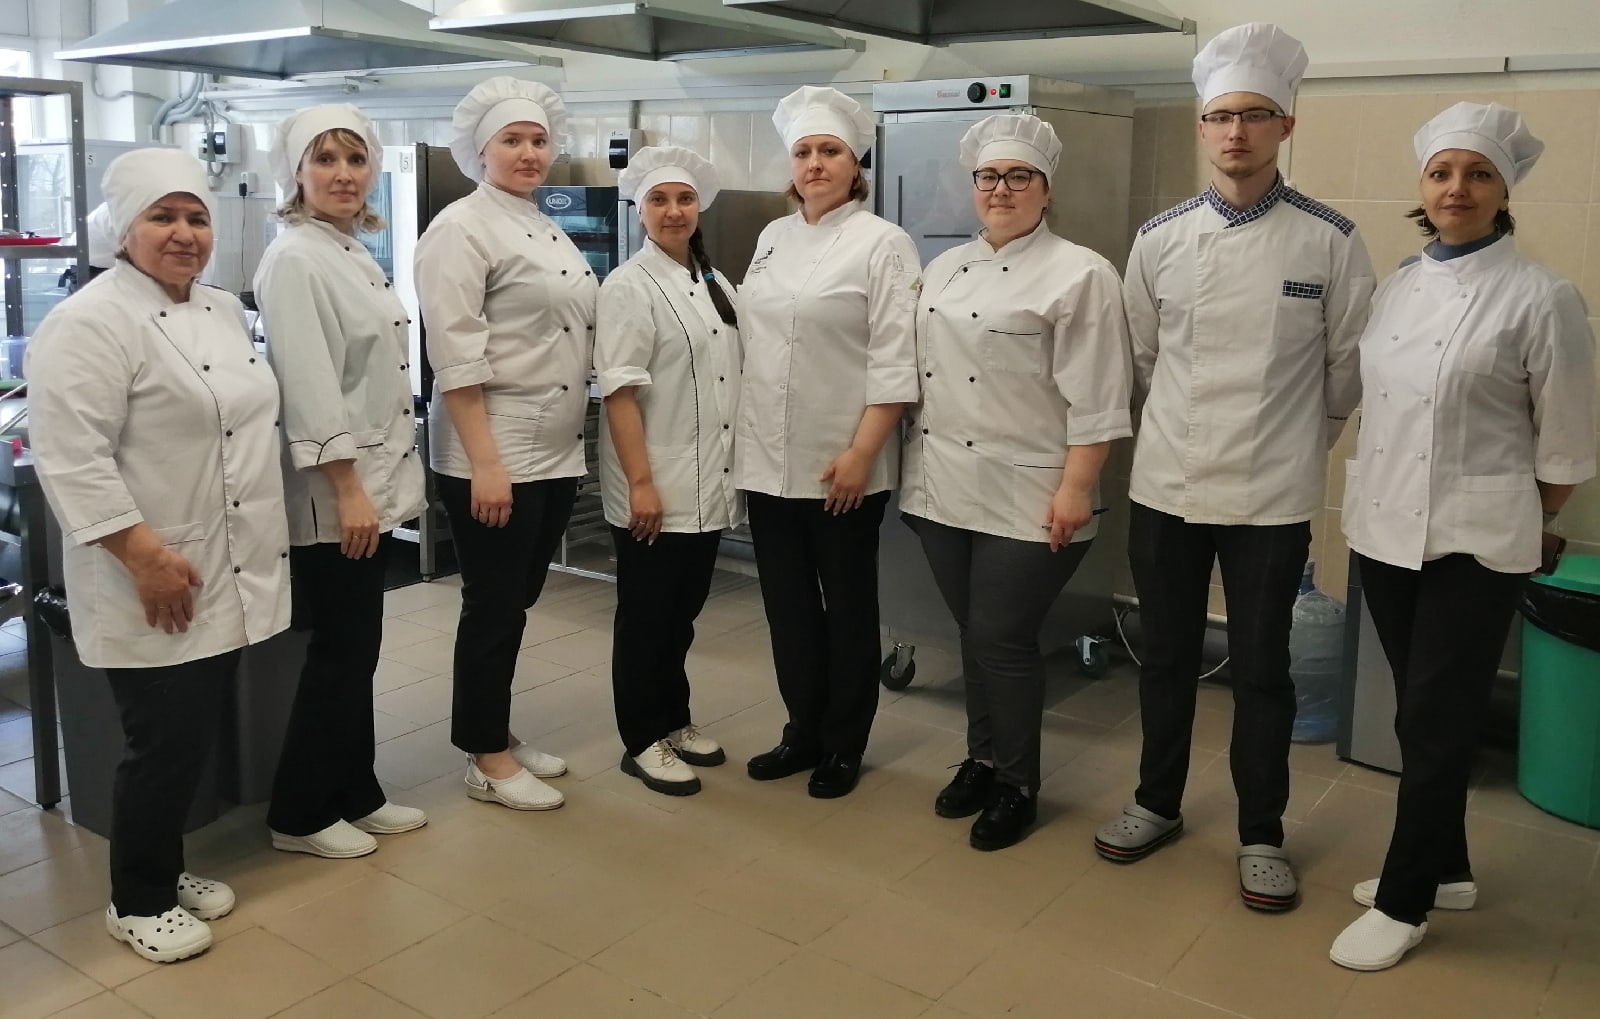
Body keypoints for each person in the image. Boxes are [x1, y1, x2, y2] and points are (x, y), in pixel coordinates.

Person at [1093, 22, 1375, 913]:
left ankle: (1262, 832)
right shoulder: (1160, 238)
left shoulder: (1330, 241)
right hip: (1166, 484)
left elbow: (1346, 373)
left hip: (1273, 491)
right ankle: (1156, 800)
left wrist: (1291, 442)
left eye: (1255, 115)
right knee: (1166, 656)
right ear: (1202, 128)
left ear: (1286, 124)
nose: (1236, 132)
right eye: (1221, 116)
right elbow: (1139, 362)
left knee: (1261, 669)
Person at [1330, 103, 1595, 971]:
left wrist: (1529, 517)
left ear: (1504, 191)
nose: (1458, 188)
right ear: (1423, 185)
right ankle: (1447, 867)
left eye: (1479, 174)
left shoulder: (1542, 297)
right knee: (1420, 714)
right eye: (1443, 172)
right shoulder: (1399, 286)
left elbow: (1566, 445)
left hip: (1475, 542)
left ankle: (1404, 902)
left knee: (1438, 721)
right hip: (1385, 528)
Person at [26, 148, 291, 962]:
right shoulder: (89, 322)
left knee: (190, 731)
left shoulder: (221, 309)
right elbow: (72, 457)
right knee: (160, 741)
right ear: (123, 230)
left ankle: (165, 867)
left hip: (219, 558)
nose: (184, 233)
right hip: (148, 566)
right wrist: (143, 555)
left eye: (196, 217)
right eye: (162, 217)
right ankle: (135, 898)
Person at [902, 114, 1133, 851]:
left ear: (1046, 189)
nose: (1000, 189)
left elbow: (1100, 398)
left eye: (1018, 177)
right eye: (988, 177)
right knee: (974, 635)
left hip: (1034, 487)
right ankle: (981, 759)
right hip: (941, 484)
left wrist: (1077, 487)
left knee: (1003, 636)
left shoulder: (1082, 273)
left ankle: (1017, 784)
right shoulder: (945, 268)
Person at [415, 77, 594, 810]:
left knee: (516, 600)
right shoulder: (460, 228)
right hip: (491, 451)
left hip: (552, 449)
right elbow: (455, 356)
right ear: (480, 150)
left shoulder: (542, 224)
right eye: (512, 140)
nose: (529, 153)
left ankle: (497, 730)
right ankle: (485, 756)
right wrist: (487, 466)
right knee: (492, 605)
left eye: (538, 140)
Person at [737, 85, 921, 799]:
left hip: (844, 461)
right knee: (787, 608)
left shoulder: (884, 243)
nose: (815, 164)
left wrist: (862, 454)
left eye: (830, 151)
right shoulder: (771, 238)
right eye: (804, 152)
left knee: (846, 607)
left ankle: (844, 742)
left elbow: (897, 362)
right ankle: (801, 731)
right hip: (766, 459)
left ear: (855, 164)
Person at [256, 104, 429, 859]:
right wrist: (349, 490)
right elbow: (311, 386)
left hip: (370, 484)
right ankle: (298, 813)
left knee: (359, 649)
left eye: (356, 160)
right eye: (325, 160)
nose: (343, 174)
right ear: (296, 174)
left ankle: (357, 790)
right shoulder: (296, 259)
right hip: (336, 495)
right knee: (339, 652)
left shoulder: (348, 250)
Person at [596, 145, 741, 796]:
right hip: (653, 482)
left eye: (684, 199)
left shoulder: (714, 282)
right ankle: (641, 738)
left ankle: (674, 718)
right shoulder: (628, 286)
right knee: (647, 615)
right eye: (659, 200)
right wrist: (641, 483)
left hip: (707, 480)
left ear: (699, 207)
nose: (673, 211)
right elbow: (620, 394)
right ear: (640, 210)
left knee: (681, 613)